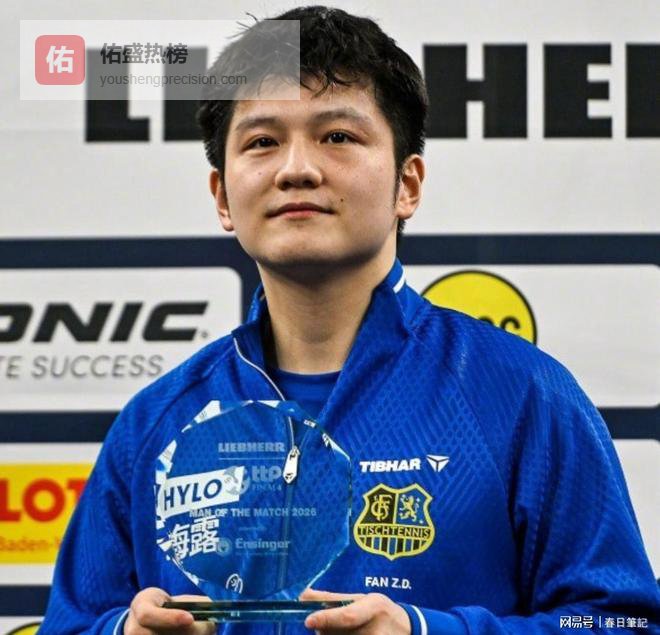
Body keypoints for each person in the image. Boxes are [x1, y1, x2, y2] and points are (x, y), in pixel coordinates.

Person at [40, 5, 659, 634]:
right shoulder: (155, 422)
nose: (296, 169)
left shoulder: (520, 394)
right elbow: (69, 625)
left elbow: (623, 624)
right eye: (262, 142)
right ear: (223, 196)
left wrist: (428, 631)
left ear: (407, 185)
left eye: (337, 136)